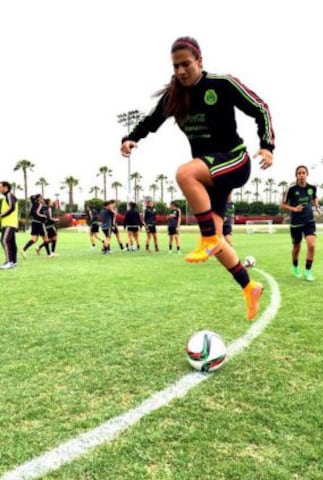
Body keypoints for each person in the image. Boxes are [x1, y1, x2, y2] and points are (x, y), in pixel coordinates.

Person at [120, 36, 275, 320]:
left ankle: (205, 238)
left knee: (184, 172)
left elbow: (260, 108)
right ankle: (249, 286)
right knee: (218, 242)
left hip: (235, 160)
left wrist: (267, 145)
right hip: (210, 175)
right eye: (176, 65)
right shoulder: (174, 97)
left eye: (186, 64)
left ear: (199, 61)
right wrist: (131, 137)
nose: (181, 71)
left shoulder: (221, 84)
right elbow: (151, 120)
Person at [280, 165, 320, 281]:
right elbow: (282, 204)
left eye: (303, 173)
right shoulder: (291, 189)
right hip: (296, 222)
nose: (301, 175)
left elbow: (314, 198)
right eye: (299, 173)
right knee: (296, 247)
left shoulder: (312, 188)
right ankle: (295, 267)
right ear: (296, 175)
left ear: (307, 174)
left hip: (309, 221)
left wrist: (317, 206)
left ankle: (308, 271)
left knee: (311, 245)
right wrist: (294, 209)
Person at [0, 181, 18, 269]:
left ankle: (9, 262)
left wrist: (1, 215)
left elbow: (12, 207)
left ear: (5, 187)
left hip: (10, 224)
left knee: (4, 240)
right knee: (11, 243)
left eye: (0, 187)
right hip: (8, 223)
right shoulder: (6, 197)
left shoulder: (9, 195)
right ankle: (13, 262)